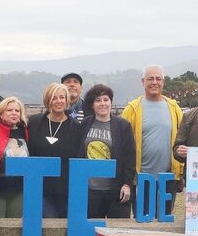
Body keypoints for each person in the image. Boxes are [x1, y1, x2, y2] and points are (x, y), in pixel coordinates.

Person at [121, 65, 183, 214]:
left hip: (168, 178)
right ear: (143, 82)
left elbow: (182, 141)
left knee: (165, 223)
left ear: (163, 82)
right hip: (141, 179)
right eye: (150, 79)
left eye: (158, 78)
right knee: (142, 224)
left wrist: (181, 172)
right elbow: (122, 144)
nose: (154, 82)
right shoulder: (132, 109)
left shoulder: (174, 108)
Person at [79, 84, 135, 218]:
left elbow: (130, 157)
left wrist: (127, 184)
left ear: (111, 102)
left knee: (116, 233)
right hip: (90, 190)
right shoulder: (85, 124)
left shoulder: (123, 126)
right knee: (90, 233)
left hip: (115, 190)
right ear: (92, 105)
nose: (102, 103)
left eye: (106, 99)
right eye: (98, 100)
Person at [28, 83, 81, 217]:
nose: (58, 101)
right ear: (48, 100)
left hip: (65, 189)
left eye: (62, 97)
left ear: (67, 100)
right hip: (39, 188)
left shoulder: (75, 127)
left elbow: (78, 158)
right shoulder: (34, 123)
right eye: (54, 98)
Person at [0, 97, 29, 217]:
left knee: (15, 227)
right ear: (1, 113)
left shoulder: (25, 130)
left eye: (17, 111)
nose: (14, 113)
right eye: (9, 110)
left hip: (19, 189)